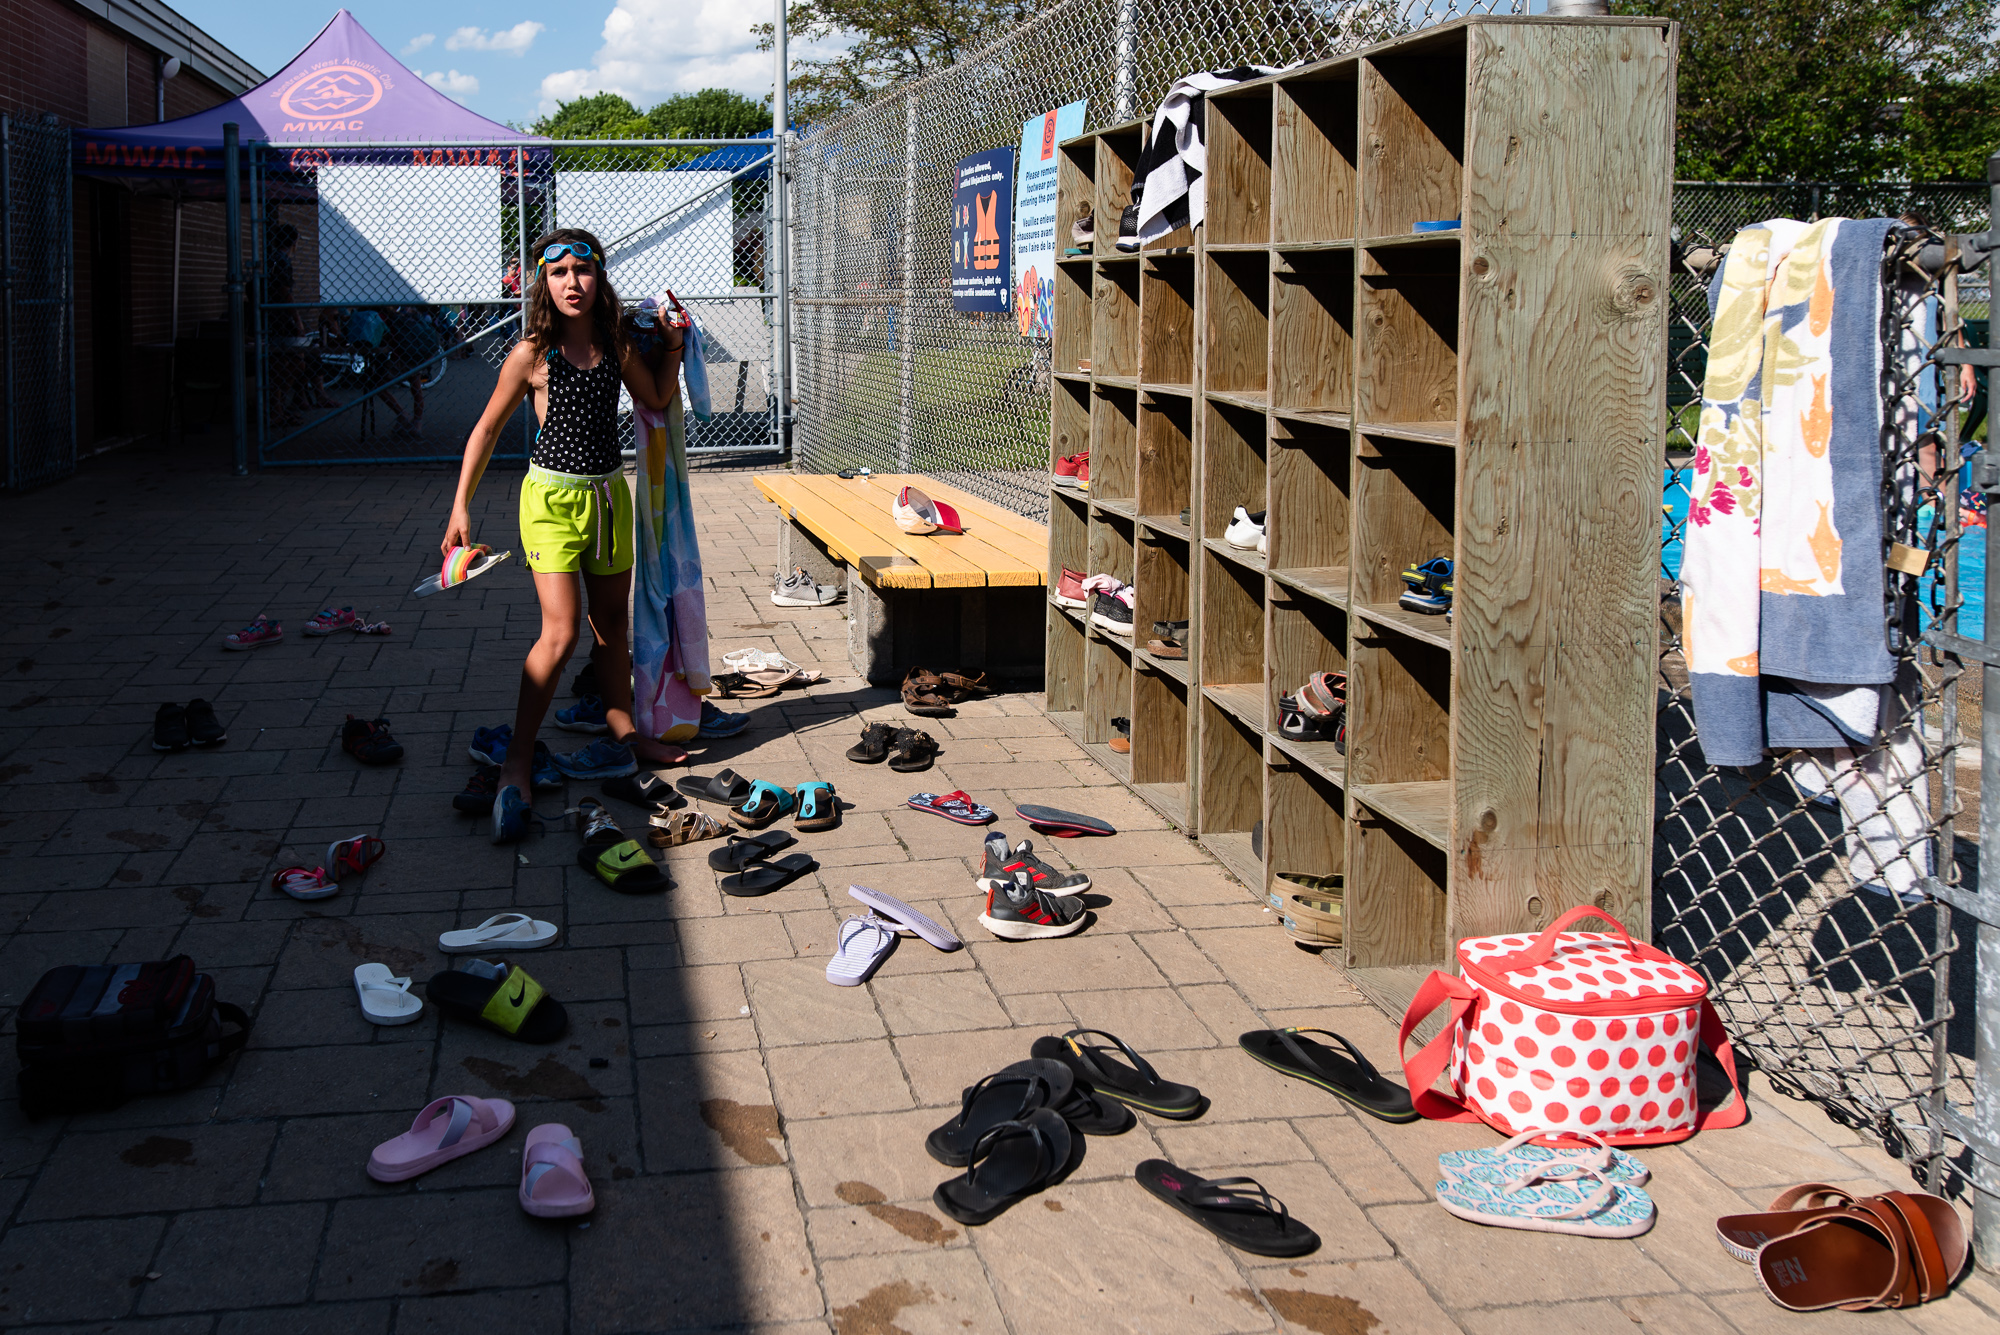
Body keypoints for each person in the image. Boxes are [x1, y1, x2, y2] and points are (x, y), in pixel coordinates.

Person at [444, 228, 686, 842]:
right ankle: (518, 759)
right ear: (542, 284)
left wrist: (675, 347)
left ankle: (626, 737)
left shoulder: (616, 345)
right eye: (558, 273)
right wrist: (460, 507)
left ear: (599, 278)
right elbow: (485, 431)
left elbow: (656, 396)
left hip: (608, 499)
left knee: (612, 630)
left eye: (583, 270)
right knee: (562, 630)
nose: (572, 282)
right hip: (550, 503)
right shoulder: (531, 355)